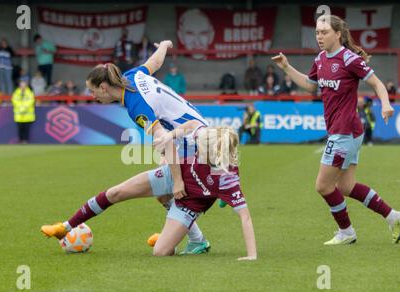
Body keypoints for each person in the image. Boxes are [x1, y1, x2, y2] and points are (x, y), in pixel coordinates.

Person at [63, 40, 212, 253]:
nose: (92, 96)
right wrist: (165, 45)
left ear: (104, 87)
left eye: (92, 90)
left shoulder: (136, 105)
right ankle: (197, 239)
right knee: (163, 194)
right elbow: (155, 61)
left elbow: (164, 138)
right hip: (200, 134)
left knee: (140, 194)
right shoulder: (132, 76)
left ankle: (196, 234)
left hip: (195, 149)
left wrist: (178, 180)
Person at [41, 122, 257, 260]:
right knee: (116, 192)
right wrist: (169, 136)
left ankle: (183, 238)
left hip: (191, 203)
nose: (196, 147)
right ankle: (65, 226)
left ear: (213, 152)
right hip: (174, 174)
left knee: (161, 252)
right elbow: (191, 125)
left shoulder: (227, 178)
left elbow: (245, 218)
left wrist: (251, 256)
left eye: (200, 147)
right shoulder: (205, 136)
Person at [272, 14, 400, 245]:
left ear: (338, 34)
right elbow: (312, 87)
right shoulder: (320, 59)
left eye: (324, 32)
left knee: (323, 185)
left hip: (345, 131)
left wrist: (386, 104)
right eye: (317, 33)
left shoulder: (349, 59)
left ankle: (347, 232)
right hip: (346, 131)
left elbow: (377, 83)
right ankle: (394, 217)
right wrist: (287, 67)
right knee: (346, 186)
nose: (319, 37)